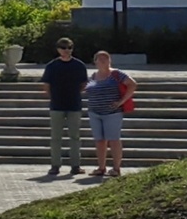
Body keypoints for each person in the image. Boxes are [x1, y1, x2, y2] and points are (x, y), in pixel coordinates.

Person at [40, 35, 89, 179]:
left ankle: (75, 165)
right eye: (63, 48)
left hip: (74, 104)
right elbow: (46, 86)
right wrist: (54, 97)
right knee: (56, 137)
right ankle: (55, 165)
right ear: (58, 49)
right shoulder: (52, 66)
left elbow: (83, 84)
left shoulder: (79, 65)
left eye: (69, 48)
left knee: (75, 136)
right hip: (56, 105)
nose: (67, 50)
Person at [82, 48, 131, 180]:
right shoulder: (92, 76)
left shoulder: (116, 74)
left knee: (114, 140)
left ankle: (116, 168)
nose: (103, 61)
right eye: (100, 59)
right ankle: (101, 167)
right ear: (95, 61)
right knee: (99, 141)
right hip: (94, 112)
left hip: (112, 113)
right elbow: (86, 89)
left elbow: (132, 84)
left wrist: (122, 101)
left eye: (106, 58)